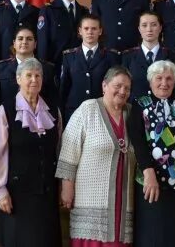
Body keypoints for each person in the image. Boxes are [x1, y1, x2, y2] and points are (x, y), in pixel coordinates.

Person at [0, 58, 62, 247]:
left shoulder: (53, 111)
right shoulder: (5, 111)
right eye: (28, 75)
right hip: (16, 195)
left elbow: (59, 148)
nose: (34, 80)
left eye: (38, 76)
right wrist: (0, 190)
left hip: (47, 192)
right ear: (18, 79)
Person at [57, 67, 136, 247]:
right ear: (104, 86)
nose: (122, 91)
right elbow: (69, 150)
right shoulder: (88, 109)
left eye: (127, 88)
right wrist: (67, 187)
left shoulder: (132, 114)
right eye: (118, 86)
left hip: (124, 200)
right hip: (90, 198)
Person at [127, 60, 175, 247]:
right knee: (154, 234)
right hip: (152, 181)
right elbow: (138, 141)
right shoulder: (140, 105)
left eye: (169, 78)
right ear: (150, 81)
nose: (164, 83)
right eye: (159, 78)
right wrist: (148, 171)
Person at [59, 13, 121, 121]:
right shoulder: (68, 56)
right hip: (74, 112)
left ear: (100, 31)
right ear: (80, 31)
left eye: (94, 28)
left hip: (102, 112)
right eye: (86, 28)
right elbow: (64, 89)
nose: (90, 32)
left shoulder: (111, 56)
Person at [37, 0, 90, 71]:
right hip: (56, 69)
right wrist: (44, 71)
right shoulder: (48, 10)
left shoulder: (84, 12)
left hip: (79, 68)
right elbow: (43, 45)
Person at [0, 26, 59, 105]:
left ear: (35, 44)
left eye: (29, 39)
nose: (24, 42)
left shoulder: (47, 69)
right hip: (8, 115)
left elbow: (54, 100)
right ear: (14, 44)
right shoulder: (1, 68)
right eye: (20, 39)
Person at [121, 11, 175, 101]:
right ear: (139, 29)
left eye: (154, 25)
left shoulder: (172, 56)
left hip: (164, 108)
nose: (149, 29)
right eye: (144, 25)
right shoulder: (127, 57)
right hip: (135, 108)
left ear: (160, 28)